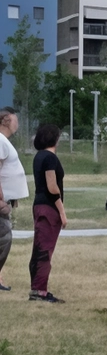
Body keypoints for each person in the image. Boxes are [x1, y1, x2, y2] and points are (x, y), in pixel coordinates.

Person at [28, 124, 66, 303]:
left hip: (38, 205)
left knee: (39, 247)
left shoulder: (38, 157)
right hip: (48, 207)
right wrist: (62, 210)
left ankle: (36, 287)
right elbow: (52, 187)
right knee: (45, 250)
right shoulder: (50, 158)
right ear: (55, 138)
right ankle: (39, 290)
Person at [0, 107, 28, 292]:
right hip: (1, 202)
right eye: (14, 119)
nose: (17, 122)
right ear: (5, 120)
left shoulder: (5, 141)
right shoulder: (0, 140)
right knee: (4, 237)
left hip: (6, 200)